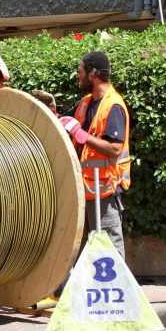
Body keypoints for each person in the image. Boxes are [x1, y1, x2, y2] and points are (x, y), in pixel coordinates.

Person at [59, 51, 131, 259]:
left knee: (110, 250)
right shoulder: (86, 103)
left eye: (80, 71)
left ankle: (117, 282)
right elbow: (63, 121)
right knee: (83, 251)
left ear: (92, 75)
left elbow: (115, 148)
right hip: (85, 190)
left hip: (104, 191)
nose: (77, 75)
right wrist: (52, 109)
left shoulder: (113, 106)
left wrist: (82, 136)